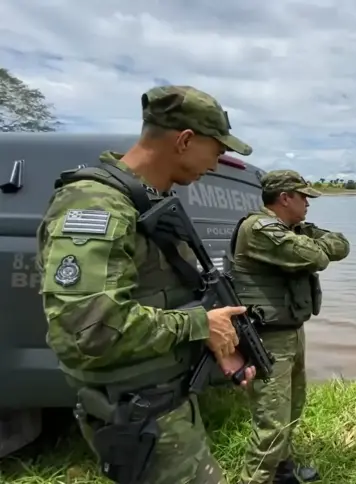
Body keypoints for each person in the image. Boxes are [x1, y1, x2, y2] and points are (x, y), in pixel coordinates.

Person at [37, 85, 258, 483]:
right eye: (216, 149)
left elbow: (161, 296)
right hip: (141, 412)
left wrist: (215, 343)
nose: (217, 162)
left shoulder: (145, 200)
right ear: (185, 140)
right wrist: (200, 325)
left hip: (162, 405)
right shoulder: (96, 205)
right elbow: (90, 330)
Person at [230, 170, 350, 484]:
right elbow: (318, 257)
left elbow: (341, 245)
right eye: (304, 197)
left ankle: (282, 473)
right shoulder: (259, 229)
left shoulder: (290, 228)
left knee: (292, 408)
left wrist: (310, 237)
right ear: (285, 198)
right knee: (271, 424)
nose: (308, 204)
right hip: (268, 337)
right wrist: (313, 242)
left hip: (290, 331)